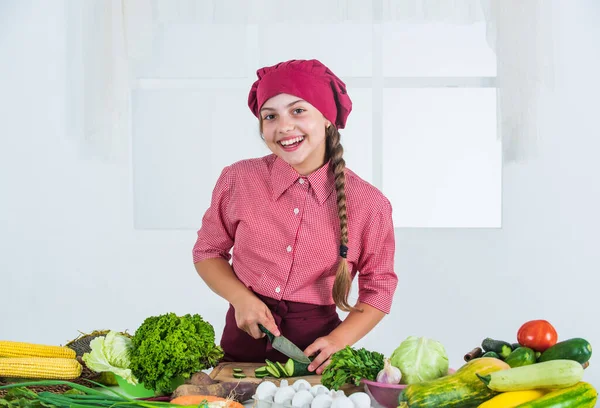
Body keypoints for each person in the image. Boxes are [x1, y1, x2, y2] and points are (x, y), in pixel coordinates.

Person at [193, 59, 397, 374]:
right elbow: (207, 252)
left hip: (315, 352)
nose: (284, 126)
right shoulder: (239, 179)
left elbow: (379, 285)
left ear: (328, 118)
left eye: (298, 111)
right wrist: (240, 299)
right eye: (270, 116)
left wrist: (339, 340)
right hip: (242, 343)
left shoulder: (370, 204)